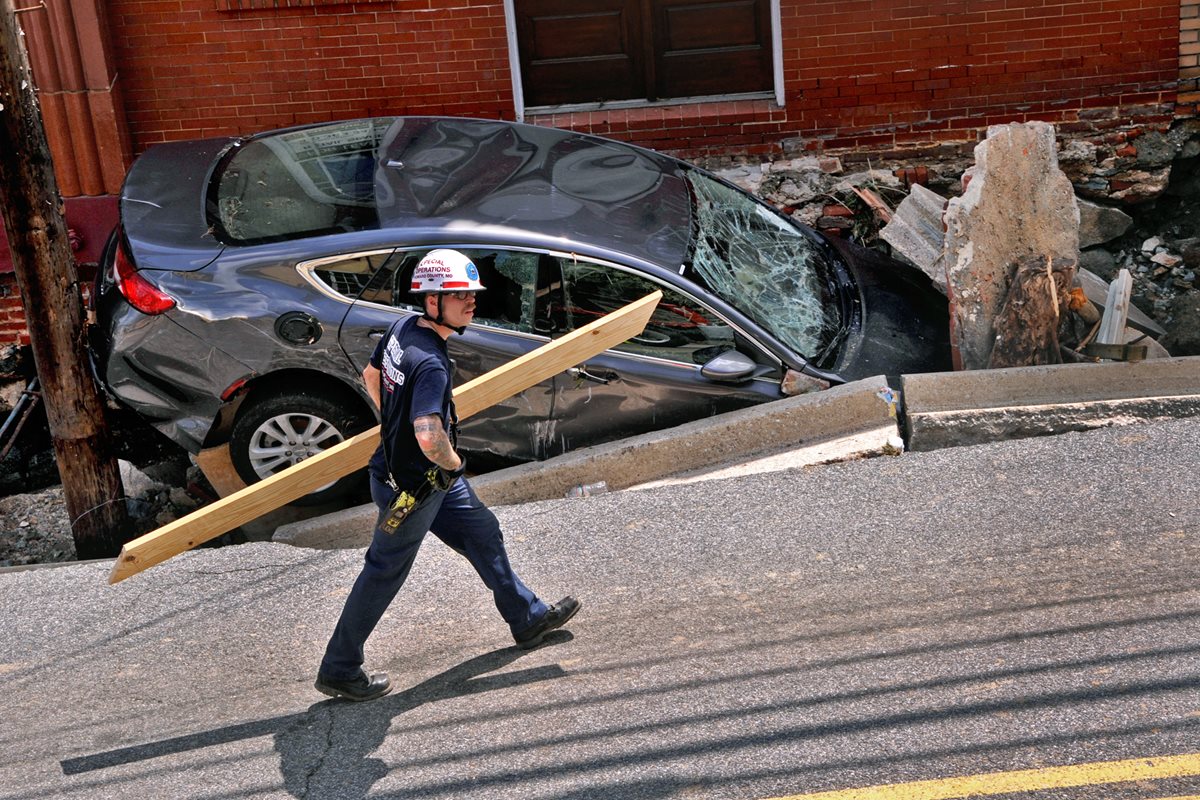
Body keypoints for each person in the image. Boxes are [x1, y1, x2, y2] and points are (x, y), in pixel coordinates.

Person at [315, 249, 580, 702]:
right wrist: (454, 463)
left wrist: (392, 425)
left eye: (473, 294)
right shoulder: (433, 363)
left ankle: (526, 616)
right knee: (383, 572)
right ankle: (339, 667)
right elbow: (428, 433)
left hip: (420, 479)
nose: (472, 303)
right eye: (460, 296)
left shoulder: (403, 330)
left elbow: (371, 374)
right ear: (432, 300)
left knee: (482, 531)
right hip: (415, 489)